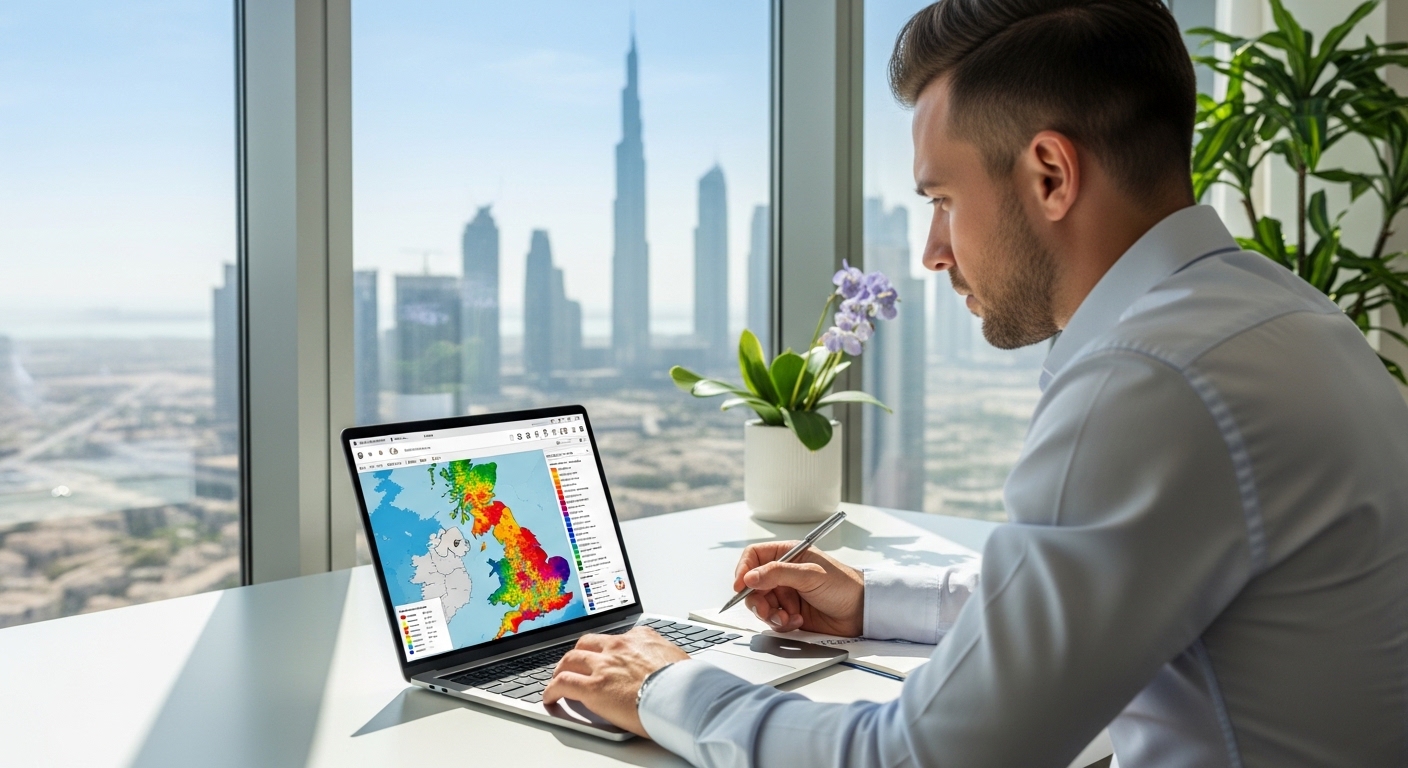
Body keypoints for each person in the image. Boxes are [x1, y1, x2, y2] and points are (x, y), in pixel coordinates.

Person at [543, 0, 1408, 764]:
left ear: (1050, 175)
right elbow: (1107, 597)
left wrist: (666, 689)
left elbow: (925, 756)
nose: (932, 251)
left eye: (943, 199)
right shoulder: (1282, 318)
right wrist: (874, 597)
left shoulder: (1149, 381)